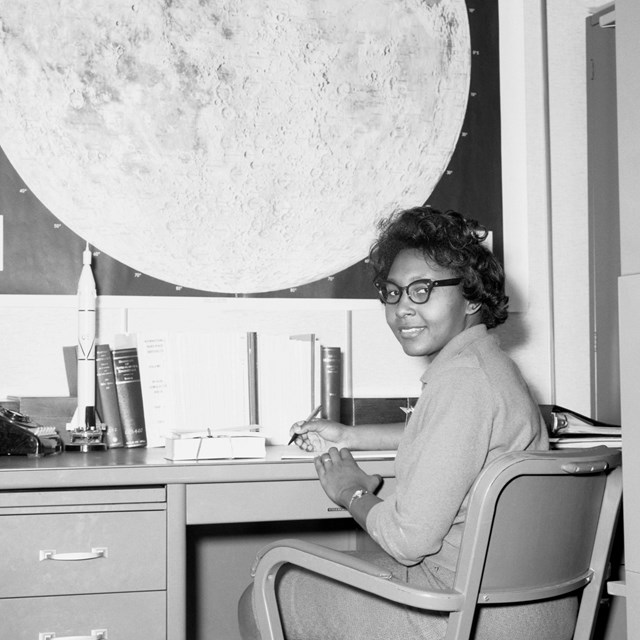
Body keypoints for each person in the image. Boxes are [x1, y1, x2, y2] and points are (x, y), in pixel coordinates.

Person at [238, 206, 576, 640]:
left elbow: (406, 541)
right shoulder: (487, 367)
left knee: (263, 592)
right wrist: (350, 436)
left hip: (462, 613)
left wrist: (350, 491)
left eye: (422, 290)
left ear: (472, 295)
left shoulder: (462, 381)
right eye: (393, 292)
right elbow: (448, 437)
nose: (401, 309)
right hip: (534, 608)